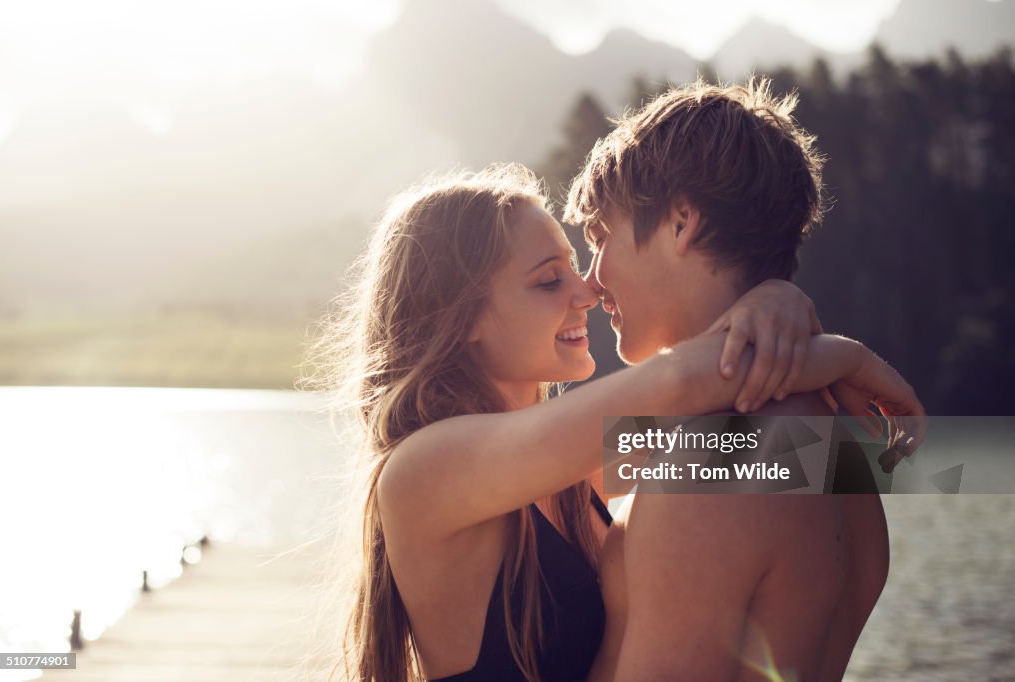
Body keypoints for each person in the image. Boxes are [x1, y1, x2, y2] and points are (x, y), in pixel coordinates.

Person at [308, 163, 922, 682]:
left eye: (575, 266)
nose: (587, 291)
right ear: (459, 316)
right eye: (549, 280)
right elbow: (679, 382)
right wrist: (842, 352)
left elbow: (774, 446)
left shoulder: (577, 469)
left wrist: (777, 303)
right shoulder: (424, 472)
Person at [563, 78, 924, 681]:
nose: (593, 280)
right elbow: (587, 463)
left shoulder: (712, 463)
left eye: (601, 238)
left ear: (681, 222)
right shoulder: (823, 444)